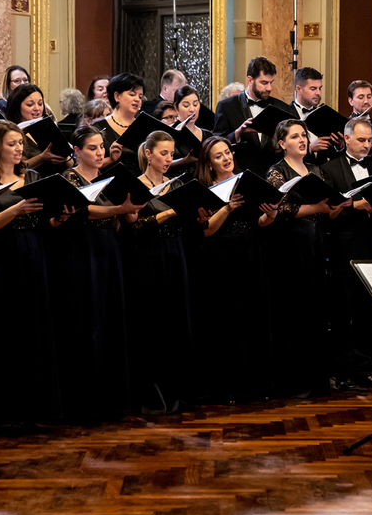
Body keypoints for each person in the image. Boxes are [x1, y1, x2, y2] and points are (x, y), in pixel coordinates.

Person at [0, 119, 71, 435]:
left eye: (20, 144)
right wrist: (15, 211)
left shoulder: (35, 177)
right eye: (11, 143)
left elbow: (45, 223)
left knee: (32, 329)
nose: (18, 149)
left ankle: (31, 411)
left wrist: (58, 218)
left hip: (32, 256)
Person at [51, 126, 143, 420]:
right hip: (80, 249)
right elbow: (81, 211)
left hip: (109, 248)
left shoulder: (110, 178)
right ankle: (83, 400)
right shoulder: (69, 178)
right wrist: (119, 209)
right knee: (84, 318)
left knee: (110, 318)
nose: (99, 152)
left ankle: (112, 397)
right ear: (76, 151)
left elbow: (129, 215)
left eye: (101, 147)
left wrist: (131, 208)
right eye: (92, 148)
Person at [265, 119, 350, 397]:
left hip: (316, 241)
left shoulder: (316, 169)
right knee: (293, 310)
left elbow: (326, 211)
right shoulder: (276, 172)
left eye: (304, 135)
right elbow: (284, 211)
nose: (302, 140)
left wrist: (340, 204)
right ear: (281, 143)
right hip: (289, 244)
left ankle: (316, 379)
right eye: (295, 136)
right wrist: (316, 206)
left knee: (316, 309)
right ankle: (293, 382)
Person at [192, 136, 278, 403]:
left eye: (227, 152)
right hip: (220, 258)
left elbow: (260, 221)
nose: (226, 158)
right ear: (209, 163)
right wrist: (228, 207)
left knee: (252, 318)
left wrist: (271, 213)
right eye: (219, 156)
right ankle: (227, 387)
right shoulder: (203, 190)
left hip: (250, 253)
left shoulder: (246, 182)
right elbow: (206, 232)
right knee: (226, 321)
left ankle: (254, 385)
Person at [321, 117, 372, 389]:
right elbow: (328, 212)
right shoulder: (329, 169)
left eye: (369, 141)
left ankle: (365, 369)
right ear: (347, 139)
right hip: (344, 249)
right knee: (343, 314)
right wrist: (355, 205)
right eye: (361, 140)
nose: (367, 146)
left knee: (367, 314)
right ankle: (343, 372)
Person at [123, 130, 194, 414]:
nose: (168, 159)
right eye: (163, 153)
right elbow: (134, 226)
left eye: (171, 153)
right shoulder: (136, 185)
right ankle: (152, 394)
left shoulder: (175, 184)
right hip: (148, 257)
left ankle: (178, 389)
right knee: (153, 322)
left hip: (175, 254)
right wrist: (169, 213)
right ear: (148, 154)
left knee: (176, 322)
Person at [212, 56, 293, 177]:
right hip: (241, 175)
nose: (269, 88)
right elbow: (215, 144)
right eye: (264, 83)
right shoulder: (227, 106)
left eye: (271, 83)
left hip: (275, 176)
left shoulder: (281, 107)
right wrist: (237, 133)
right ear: (250, 80)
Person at [5, 83, 70, 177]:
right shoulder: (9, 133)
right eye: (30, 104)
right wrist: (41, 158)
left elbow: (70, 164)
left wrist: (64, 158)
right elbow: (11, 168)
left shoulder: (48, 127)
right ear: (17, 107)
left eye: (40, 104)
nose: (37, 109)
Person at [94, 73, 145, 175]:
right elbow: (88, 165)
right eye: (132, 94)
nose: (137, 99)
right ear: (117, 96)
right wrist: (111, 160)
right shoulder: (97, 127)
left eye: (140, 96)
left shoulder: (144, 126)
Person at [290, 67, 343, 164]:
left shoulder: (325, 115)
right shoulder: (286, 114)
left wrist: (339, 146)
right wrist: (309, 148)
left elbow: (333, 156)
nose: (318, 93)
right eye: (313, 89)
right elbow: (278, 153)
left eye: (320, 88)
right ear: (299, 89)